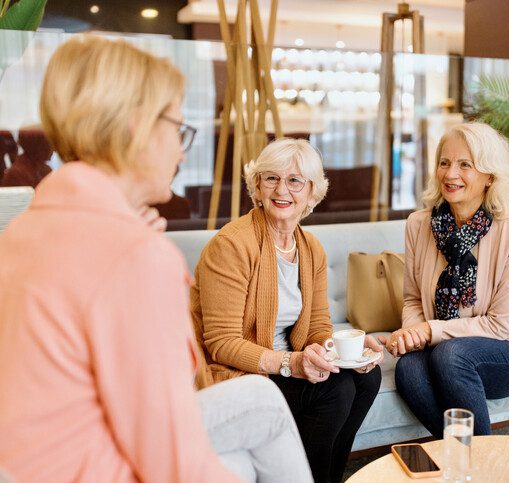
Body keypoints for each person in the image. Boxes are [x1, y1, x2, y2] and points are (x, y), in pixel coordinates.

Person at [0, 35, 312, 483]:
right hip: (84, 467)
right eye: (178, 128)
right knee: (240, 463)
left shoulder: (28, 227)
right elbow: (170, 461)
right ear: (137, 127)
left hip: (29, 461)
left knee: (260, 402)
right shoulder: (133, 256)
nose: (182, 150)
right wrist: (136, 256)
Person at [190, 138, 384, 483]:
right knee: (334, 390)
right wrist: (290, 363)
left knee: (365, 376)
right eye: (271, 178)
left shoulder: (311, 249)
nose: (282, 190)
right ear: (258, 186)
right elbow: (221, 343)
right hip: (242, 372)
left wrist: (345, 353)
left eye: (295, 181)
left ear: (312, 193)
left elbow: (318, 328)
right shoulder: (231, 245)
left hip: (288, 365)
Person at [380, 122, 509, 437]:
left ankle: (479, 464)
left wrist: (429, 330)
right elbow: (414, 298)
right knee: (409, 369)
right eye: (444, 162)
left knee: (451, 355)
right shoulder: (418, 225)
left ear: (490, 177)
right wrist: (411, 333)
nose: (450, 174)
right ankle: (462, 460)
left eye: (465, 165)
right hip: (445, 345)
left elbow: (499, 326)